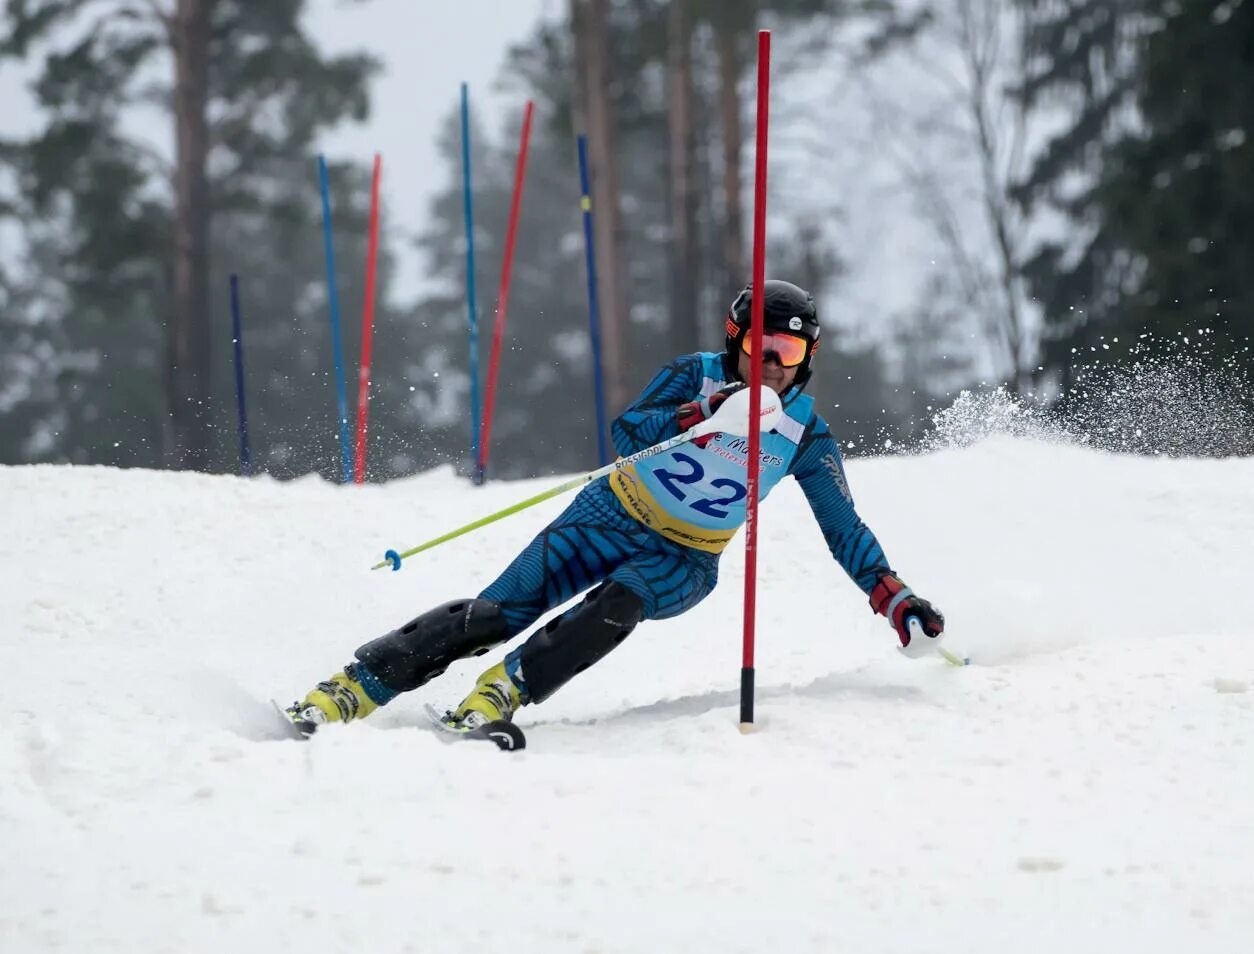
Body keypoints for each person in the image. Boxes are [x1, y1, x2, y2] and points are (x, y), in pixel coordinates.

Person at [284, 279, 945, 734]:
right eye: (761, 346)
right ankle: (354, 688)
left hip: (684, 557)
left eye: (790, 351)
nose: (772, 364)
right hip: (608, 513)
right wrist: (706, 414)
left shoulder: (807, 434)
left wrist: (893, 595)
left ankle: (503, 694)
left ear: (808, 358)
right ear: (736, 339)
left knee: (620, 601)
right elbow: (628, 433)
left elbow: (844, 528)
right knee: (495, 612)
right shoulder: (697, 374)